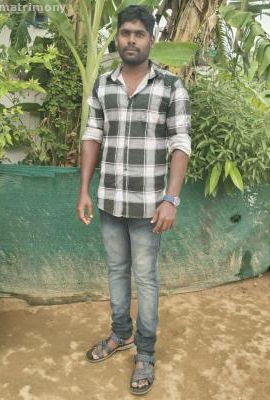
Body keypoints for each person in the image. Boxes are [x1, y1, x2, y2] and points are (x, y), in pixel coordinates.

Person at [77, 5, 191, 395]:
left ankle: (145, 352)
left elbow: (180, 143)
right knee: (116, 271)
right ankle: (120, 333)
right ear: (118, 37)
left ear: (150, 40)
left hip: (149, 207)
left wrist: (171, 198)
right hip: (110, 201)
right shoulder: (103, 85)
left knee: (146, 279)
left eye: (138, 34)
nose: (131, 40)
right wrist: (84, 190)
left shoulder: (170, 87)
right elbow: (92, 135)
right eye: (125, 33)